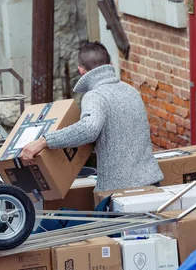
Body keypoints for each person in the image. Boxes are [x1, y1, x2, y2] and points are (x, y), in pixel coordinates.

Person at [20, 41, 163, 192]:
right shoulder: (130, 90)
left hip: (122, 192)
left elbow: (89, 129)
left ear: (81, 70)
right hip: (151, 183)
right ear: (111, 64)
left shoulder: (95, 96)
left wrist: (44, 141)